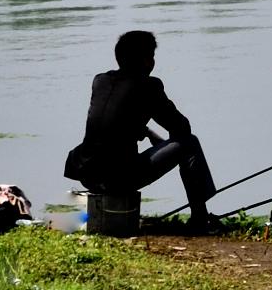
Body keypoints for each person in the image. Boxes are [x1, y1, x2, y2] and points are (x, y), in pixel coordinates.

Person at [63, 30, 218, 229]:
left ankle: (199, 217)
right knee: (190, 143)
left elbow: (115, 124)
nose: (153, 62)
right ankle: (200, 218)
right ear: (146, 61)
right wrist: (163, 141)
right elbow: (181, 128)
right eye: (152, 56)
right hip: (119, 178)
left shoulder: (100, 81)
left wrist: (148, 133)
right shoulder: (149, 85)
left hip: (87, 174)